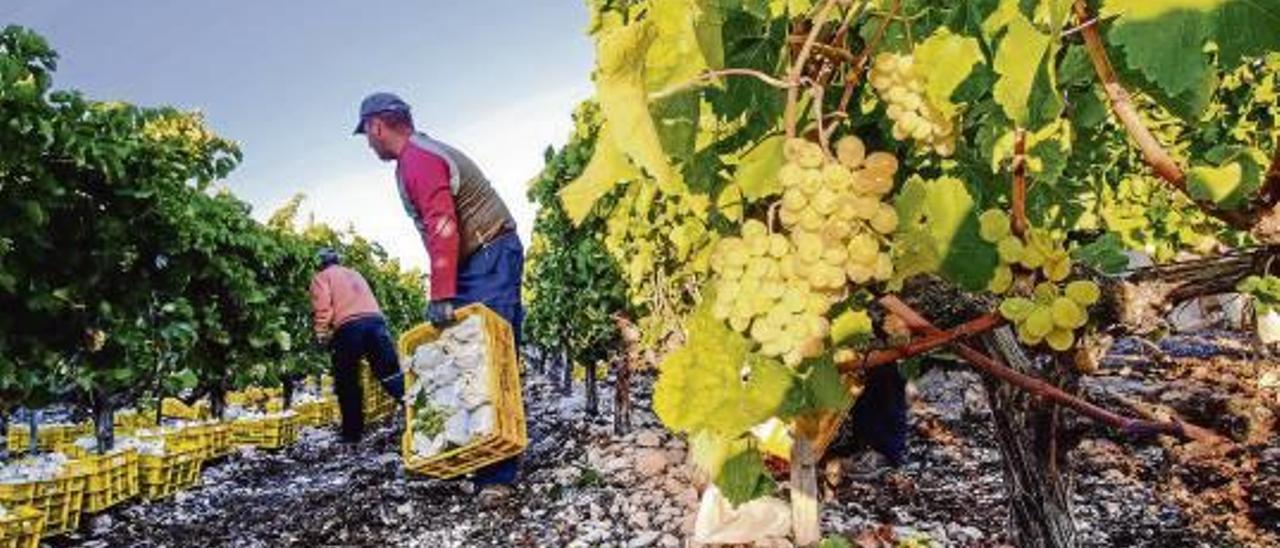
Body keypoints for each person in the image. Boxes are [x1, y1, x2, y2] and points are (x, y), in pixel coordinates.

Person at [354, 92, 524, 498]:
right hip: (482, 258)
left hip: (488, 257)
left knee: (488, 361)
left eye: (367, 134)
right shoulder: (417, 156)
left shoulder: (418, 158)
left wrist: (442, 292)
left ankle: (495, 476)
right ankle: (476, 456)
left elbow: (442, 224)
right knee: (471, 360)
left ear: (377, 126)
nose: (368, 143)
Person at [309, 248, 405, 444]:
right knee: (390, 373)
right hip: (376, 323)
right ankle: (418, 411)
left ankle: (352, 434)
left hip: (349, 327)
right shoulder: (355, 273)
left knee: (347, 382)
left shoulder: (322, 277)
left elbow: (324, 309)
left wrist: (320, 334)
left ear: (320, 264)